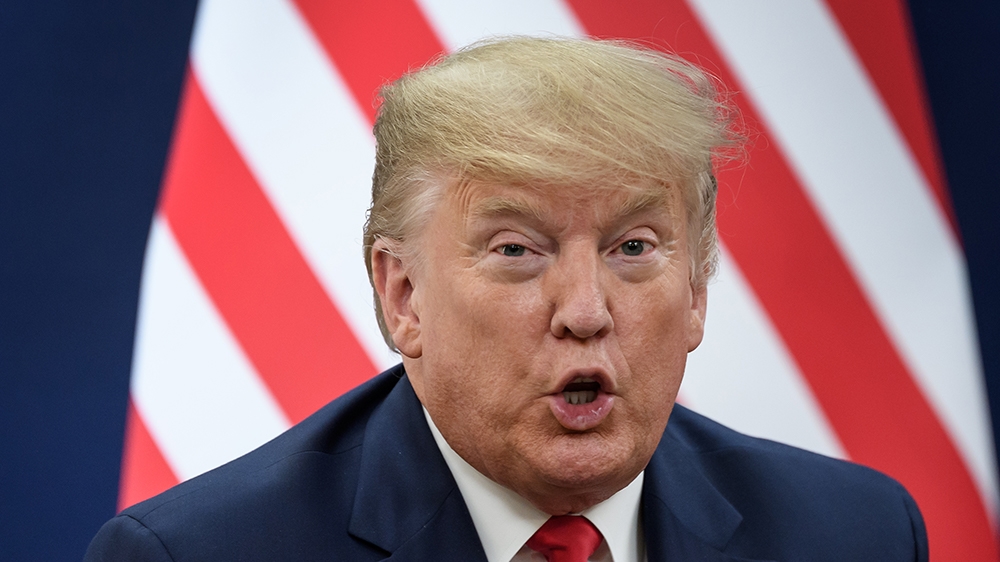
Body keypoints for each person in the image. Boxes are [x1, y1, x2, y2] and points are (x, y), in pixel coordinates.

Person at [85, 37, 928, 562]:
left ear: (698, 290)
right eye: (518, 251)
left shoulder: (856, 536)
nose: (587, 310)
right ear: (404, 296)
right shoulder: (199, 555)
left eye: (633, 248)